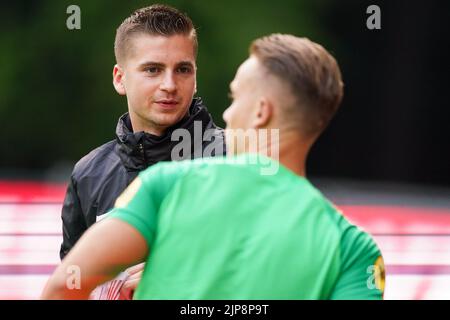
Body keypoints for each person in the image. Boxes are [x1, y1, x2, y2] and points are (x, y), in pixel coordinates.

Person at [43, 34, 385, 300]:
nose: (226, 114)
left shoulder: (166, 187)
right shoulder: (353, 248)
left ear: (261, 111)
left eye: (236, 98)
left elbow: (64, 286)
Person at [59, 4, 225, 299]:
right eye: (153, 70)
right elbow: (72, 288)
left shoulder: (238, 160)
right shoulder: (88, 174)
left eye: (183, 69)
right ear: (120, 78)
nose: (170, 85)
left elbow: (278, 275)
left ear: (195, 76)